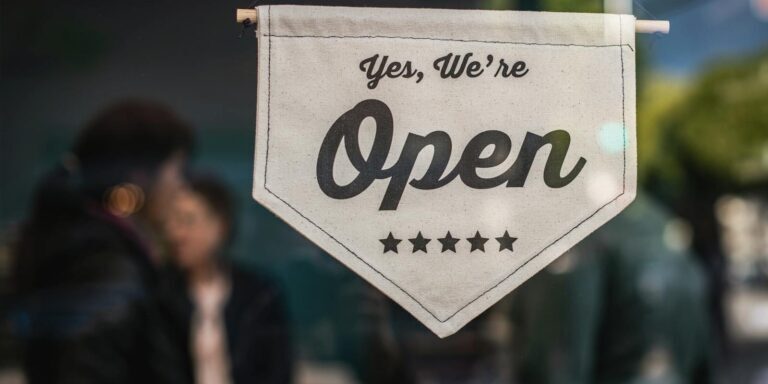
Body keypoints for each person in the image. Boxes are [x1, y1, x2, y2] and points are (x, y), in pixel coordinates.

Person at [10, 100, 195, 383]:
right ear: (141, 176)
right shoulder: (106, 266)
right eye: (177, 171)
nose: (182, 186)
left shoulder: (86, 245)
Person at [161, 173, 292, 384]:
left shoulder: (260, 294)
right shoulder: (161, 292)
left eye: (188, 221)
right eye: (172, 222)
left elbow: (277, 372)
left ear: (220, 226)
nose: (176, 233)